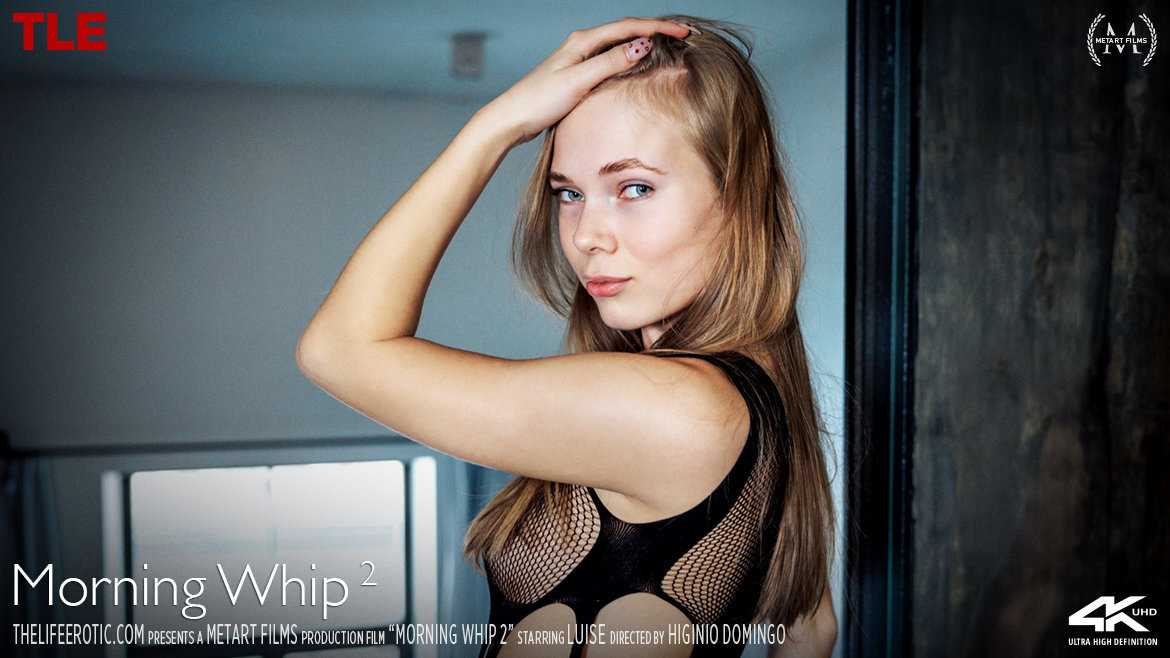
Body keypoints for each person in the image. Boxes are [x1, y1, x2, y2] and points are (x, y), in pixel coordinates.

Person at [296, 14, 836, 658]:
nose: (585, 236)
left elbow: (339, 350)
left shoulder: (677, 407)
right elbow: (810, 628)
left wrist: (495, 126)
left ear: (738, 198)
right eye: (570, 193)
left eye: (634, 187)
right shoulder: (762, 392)